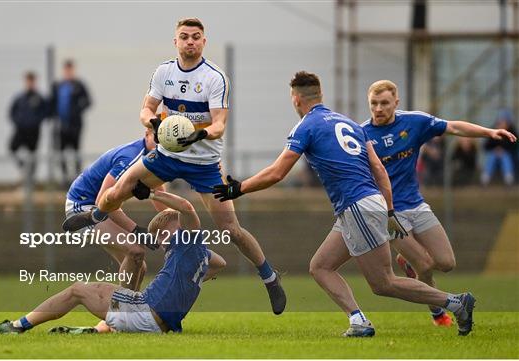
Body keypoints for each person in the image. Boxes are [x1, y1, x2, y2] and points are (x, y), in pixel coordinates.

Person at [213, 71, 476, 337]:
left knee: (383, 283)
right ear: (321, 95)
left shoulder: (306, 127)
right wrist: (388, 209)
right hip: (366, 204)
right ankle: (358, 320)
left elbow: (277, 172)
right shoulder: (351, 124)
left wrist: (239, 188)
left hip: (357, 205)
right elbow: (379, 170)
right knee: (320, 266)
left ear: (295, 99)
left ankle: (455, 302)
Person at [61, 18, 286, 315]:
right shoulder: (164, 72)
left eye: (195, 37)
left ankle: (269, 277)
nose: (190, 41)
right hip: (168, 156)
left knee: (231, 229)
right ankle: (96, 214)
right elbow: (146, 108)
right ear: (176, 42)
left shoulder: (214, 77)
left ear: (204, 42)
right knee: (120, 189)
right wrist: (152, 122)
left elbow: (219, 124)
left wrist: (199, 134)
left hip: (205, 163)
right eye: (184, 37)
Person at [361, 80, 516, 326]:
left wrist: (489, 132)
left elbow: (453, 127)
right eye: (373, 104)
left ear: (396, 103)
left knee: (446, 263)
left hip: (416, 205)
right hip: (388, 213)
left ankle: (405, 261)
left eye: (384, 103)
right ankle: (437, 313)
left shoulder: (414, 122)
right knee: (424, 265)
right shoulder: (362, 134)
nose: (378, 109)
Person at [0, 190, 227, 335]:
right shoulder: (198, 253)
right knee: (107, 290)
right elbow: (221, 263)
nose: (162, 243)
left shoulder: (187, 239)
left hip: (144, 312)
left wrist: (150, 193)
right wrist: (194, 279)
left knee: (77, 290)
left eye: (162, 236)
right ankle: (98, 329)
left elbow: (186, 206)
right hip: (158, 322)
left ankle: (18, 326)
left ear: (170, 231)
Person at [65, 129, 162, 291]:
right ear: (146, 133)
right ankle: (119, 310)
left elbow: (160, 194)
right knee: (135, 250)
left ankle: (119, 313)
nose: (161, 142)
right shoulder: (132, 157)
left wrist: (175, 229)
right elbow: (103, 200)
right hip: (84, 208)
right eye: (156, 136)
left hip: (104, 208)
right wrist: (136, 230)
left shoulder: (156, 158)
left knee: (139, 265)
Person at [50, 59, 92, 186]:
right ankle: (64, 178)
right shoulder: (58, 86)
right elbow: (52, 104)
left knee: (76, 151)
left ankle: (77, 178)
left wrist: (77, 109)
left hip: (75, 125)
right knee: (61, 152)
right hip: (61, 126)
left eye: (70, 69)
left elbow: (88, 101)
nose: (68, 72)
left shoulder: (79, 85)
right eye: (66, 70)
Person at [8, 71, 48, 183]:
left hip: (34, 132)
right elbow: (11, 112)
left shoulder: (39, 98)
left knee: (33, 155)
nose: (30, 83)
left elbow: (45, 112)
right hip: (21, 131)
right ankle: (23, 168)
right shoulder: (20, 98)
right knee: (12, 147)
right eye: (28, 81)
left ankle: (30, 179)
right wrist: (19, 122)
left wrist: (35, 122)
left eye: (32, 81)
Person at [481, 109, 518, 186]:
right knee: (492, 155)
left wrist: (503, 150)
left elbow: (515, 147)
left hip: (508, 156)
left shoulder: (513, 132)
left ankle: (508, 176)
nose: (502, 123)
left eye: (504, 121)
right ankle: (486, 176)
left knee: (505, 156)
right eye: (501, 121)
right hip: (494, 156)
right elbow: (486, 146)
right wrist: (496, 149)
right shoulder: (493, 131)